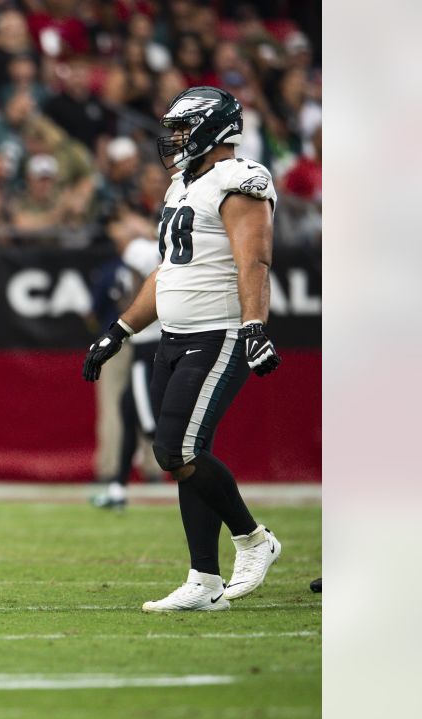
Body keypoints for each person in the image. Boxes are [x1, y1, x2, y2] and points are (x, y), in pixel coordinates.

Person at [83, 86, 283, 612]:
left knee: (177, 449)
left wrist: (254, 326)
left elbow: (254, 263)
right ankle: (205, 580)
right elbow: (168, 272)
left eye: (181, 127)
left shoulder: (240, 180)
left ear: (213, 128)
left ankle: (253, 539)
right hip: (173, 337)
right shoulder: (182, 183)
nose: (172, 139)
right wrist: (119, 330)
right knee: (187, 454)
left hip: (217, 334)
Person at [92, 221, 162, 511]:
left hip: (145, 344)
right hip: (141, 341)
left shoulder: (137, 268)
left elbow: (97, 312)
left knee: (145, 417)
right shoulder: (155, 261)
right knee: (128, 407)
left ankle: (123, 477)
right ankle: (121, 483)